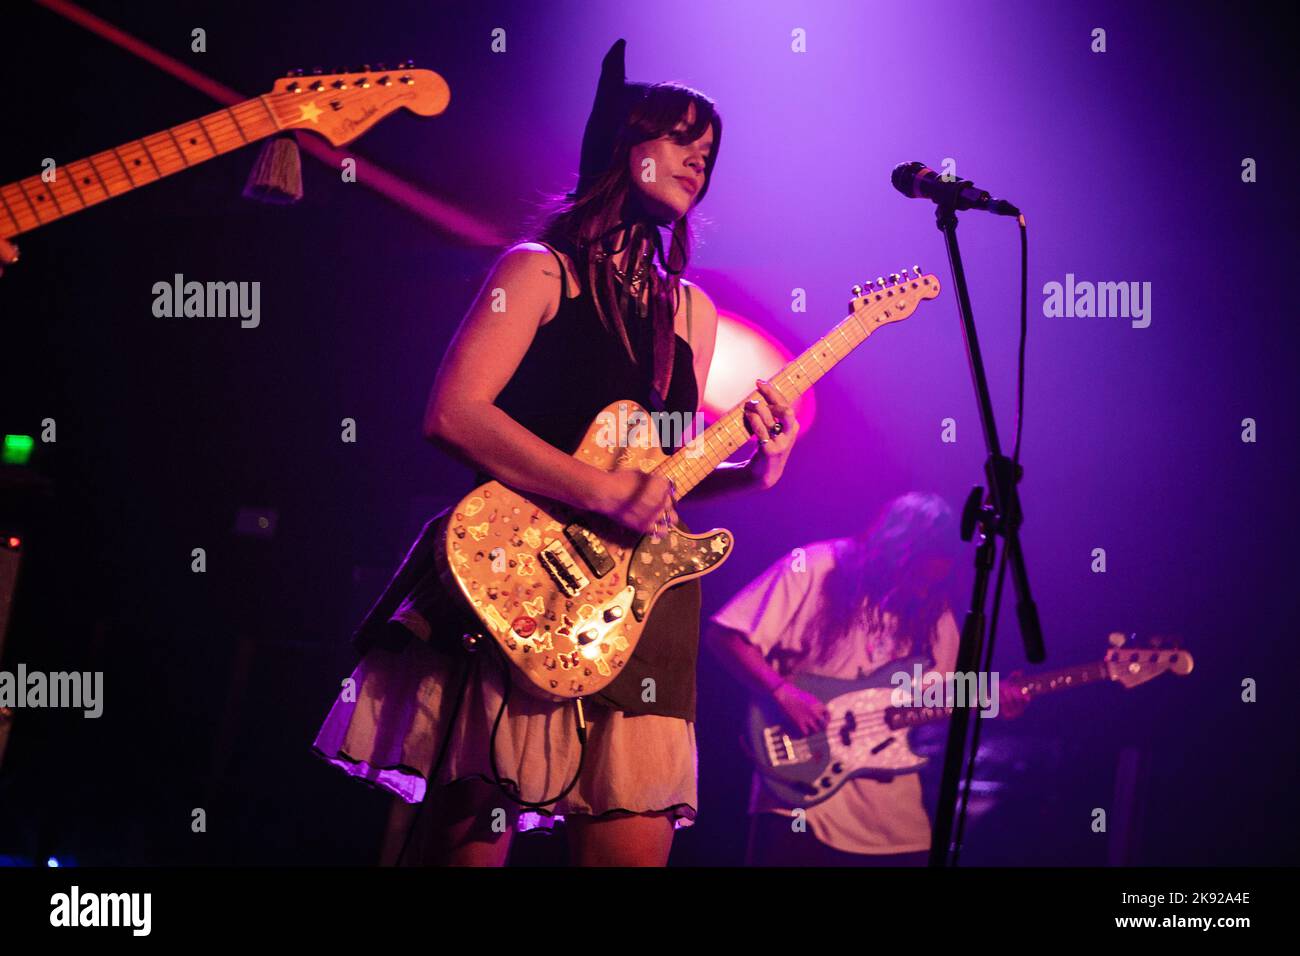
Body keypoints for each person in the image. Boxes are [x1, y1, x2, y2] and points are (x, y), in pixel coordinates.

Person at [312, 39, 801, 867]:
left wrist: (751, 471)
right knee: (471, 841)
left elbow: (652, 480)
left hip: (640, 602)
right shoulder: (539, 272)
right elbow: (453, 414)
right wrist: (600, 493)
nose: (699, 161)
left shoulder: (693, 313)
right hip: (521, 575)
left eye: (708, 151)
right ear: (623, 146)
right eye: (680, 139)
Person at [706, 492, 1026, 866]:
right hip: (801, 796)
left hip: (891, 822)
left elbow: (938, 699)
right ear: (895, 552)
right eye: (916, 577)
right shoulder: (815, 567)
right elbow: (726, 635)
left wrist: (990, 699)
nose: (921, 590)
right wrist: (781, 690)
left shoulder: (931, 609)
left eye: (930, 582)